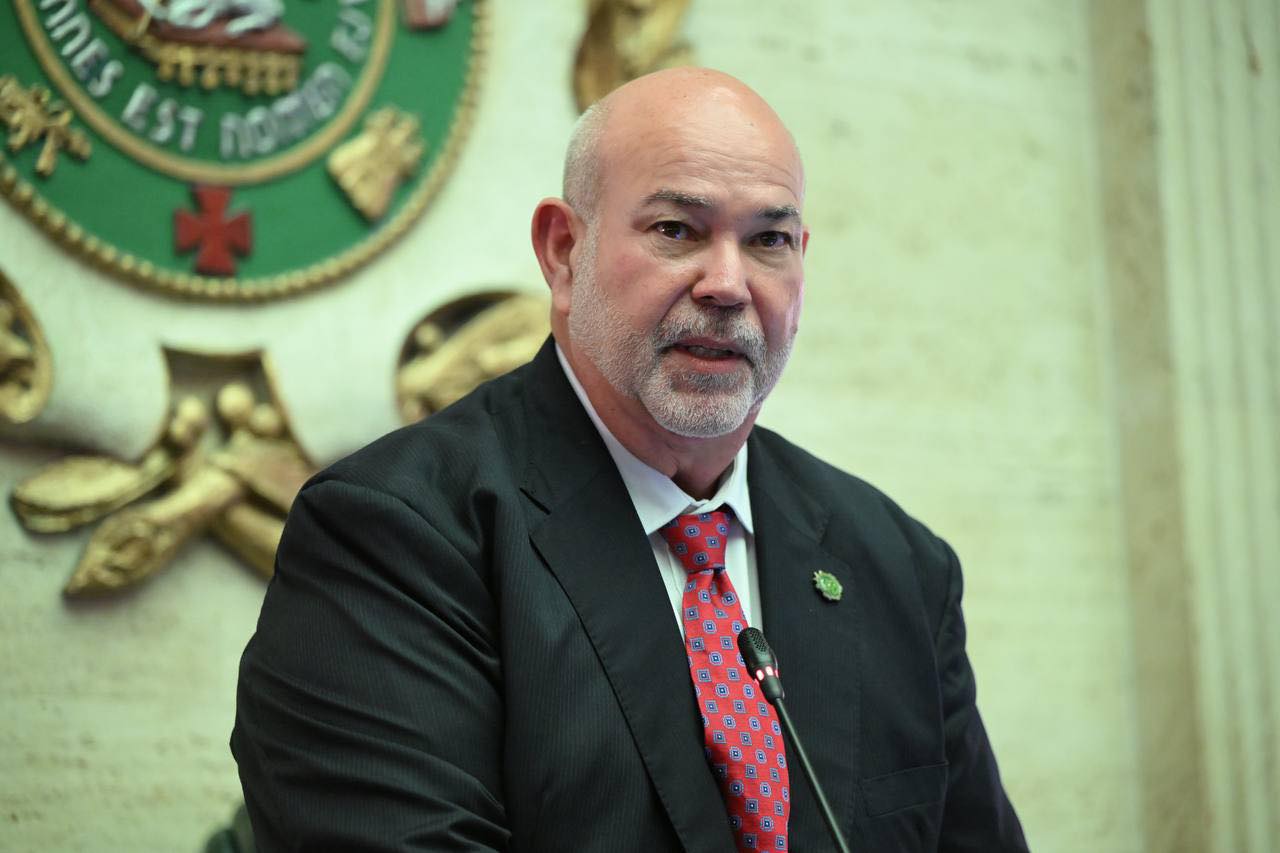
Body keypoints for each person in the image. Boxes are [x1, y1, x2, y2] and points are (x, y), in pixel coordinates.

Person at [232, 67, 1029, 852]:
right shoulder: (394, 535)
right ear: (563, 251)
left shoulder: (898, 564)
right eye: (677, 230)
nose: (728, 284)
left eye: (768, 241)